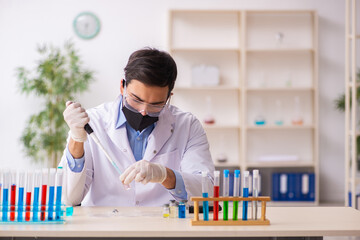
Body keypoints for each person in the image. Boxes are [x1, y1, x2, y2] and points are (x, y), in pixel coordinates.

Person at [60, 47, 215, 206]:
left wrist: (165, 175)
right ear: (122, 87)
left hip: (164, 226)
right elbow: (69, 198)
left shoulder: (187, 126)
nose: (143, 111)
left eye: (156, 105)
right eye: (136, 99)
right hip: (104, 227)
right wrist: (76, 139)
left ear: (169, 97)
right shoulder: (92, 122)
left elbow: (206, 192)